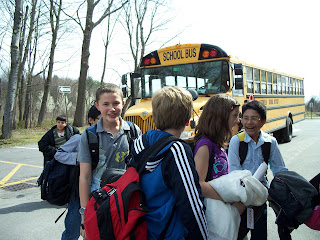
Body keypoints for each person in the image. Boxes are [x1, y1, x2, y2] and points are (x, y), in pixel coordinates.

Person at [129, 86, 208, 239]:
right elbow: (191, 205)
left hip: (143, 229)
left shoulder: (141, 143)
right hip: (169, 233)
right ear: (187, 120)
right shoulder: (177, 150)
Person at [78, 83, 141, 240]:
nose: (111, 109)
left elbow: (141, 169)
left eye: (116, 103)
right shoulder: (88, 136)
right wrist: (84, 217)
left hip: (127, 201)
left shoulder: (134, 131)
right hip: (98, 203)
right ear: (97, 106)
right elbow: (84, 177)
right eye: (106, 104)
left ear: (123, 103)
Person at [228, 100, 288, 240]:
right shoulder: (237, 141)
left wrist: (277, 190)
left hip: (260, 198)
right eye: (246, 118)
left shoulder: (270, 142)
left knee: (260, 235)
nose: (249, 122)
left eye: (254, 118)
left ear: (263, 121)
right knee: (238, 234)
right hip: (241, 199)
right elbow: (234, 173)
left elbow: (280, 170)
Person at [193, 94, 245, 213]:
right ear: (221, 117)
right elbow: (199, 184)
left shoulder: (217, 143)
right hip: (212, 211)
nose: (238, 120)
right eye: (235, 116)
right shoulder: (205, 145)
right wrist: (228, 198)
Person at [55, 106, 101, 240]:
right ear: (90, 120)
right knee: (73, 231)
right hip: (78, 194)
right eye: (100, 119)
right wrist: (78, 157)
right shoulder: (79, 138)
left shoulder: (109, 139)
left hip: (100, 193)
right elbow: (59, 154)